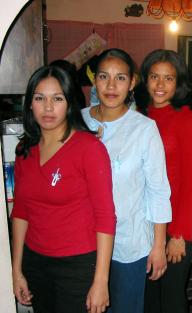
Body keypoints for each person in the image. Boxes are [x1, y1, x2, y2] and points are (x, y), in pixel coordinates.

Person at [11, 65, 116, 313]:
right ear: (29, 104)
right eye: (40, 98)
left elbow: (105, 217)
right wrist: (17, 270)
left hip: (78, 265)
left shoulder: (89, 149)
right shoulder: (25, 150)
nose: (48, 107)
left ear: (69, 103)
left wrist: (101, 281)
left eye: (57, 98)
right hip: (35, 262)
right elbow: (21, 212)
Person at [81, 48, 172, 313]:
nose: (111, 86)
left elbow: (158, 190)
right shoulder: (78, 120)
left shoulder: (144, 128)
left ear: (132, 82)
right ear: (94, 80)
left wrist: (158, 245)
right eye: (103, 77)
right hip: (83, 242)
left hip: (129, 245)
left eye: (120, 78)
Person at [135, 49, 192, 313]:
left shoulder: (186, 119)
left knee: (172, 299)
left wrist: (180, 235)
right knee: (148, 297)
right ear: (145, 79)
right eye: (154, 77)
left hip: (175, 226)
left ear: (179, 83)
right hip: (143, 226)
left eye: (169, 78)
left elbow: (191, 180)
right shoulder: (138, 115)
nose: (160, 85)